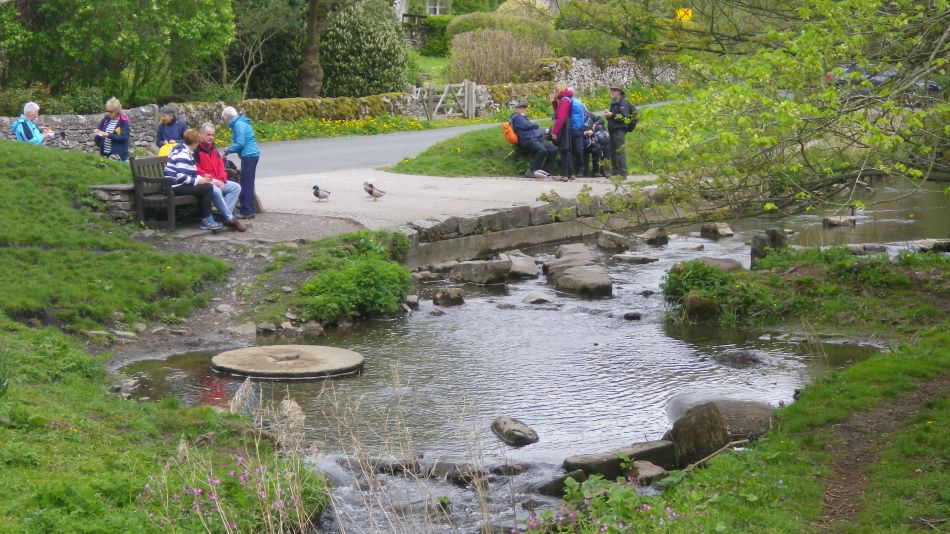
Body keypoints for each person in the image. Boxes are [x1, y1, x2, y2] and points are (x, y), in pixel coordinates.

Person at [163, 128, 223, 231]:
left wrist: (202, 178)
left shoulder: (186, 151)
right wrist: (197, 181)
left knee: (206, 186)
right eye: (198, 142)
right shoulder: (182, 154)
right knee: (207, 188)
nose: (198, 144)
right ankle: (206, 220)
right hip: (173, 186)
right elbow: (181, 176)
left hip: (178, 184)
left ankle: (207, 218)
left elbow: (191, 173)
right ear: (194, 142)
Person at [195, 122, 246, 232]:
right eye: (208, 135)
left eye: (212, 135)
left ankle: (223, 216)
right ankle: (229, 218)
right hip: (206, 182)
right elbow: (196, 169)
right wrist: (213, 181)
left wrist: (222, 180)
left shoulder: (213, 149)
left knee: (236, 187)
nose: (211, 137)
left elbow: (220, 165)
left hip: (218, 181)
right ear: (201, 135)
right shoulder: (196, 150)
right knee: (217, 191)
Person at [222, 106, 260, 219]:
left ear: (228, 117)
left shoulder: (238, 125)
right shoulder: (242, 122)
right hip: (252, 155)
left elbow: (240, 143)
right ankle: (250, 209)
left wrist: (228, 149)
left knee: (246, 184)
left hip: (249, 155)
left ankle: (246, 211)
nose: (225, 122)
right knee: (249, 183)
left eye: (225, 119)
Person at [509, 102, 556, 179]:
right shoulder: (516, 117)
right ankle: (531, 171)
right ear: (516, 109)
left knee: (553, 149)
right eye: (520, 108)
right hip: (528, 139)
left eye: (523, 108)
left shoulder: (523, 117)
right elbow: (526, 125)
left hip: (538, 137)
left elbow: (529, 125)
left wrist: (533, 125)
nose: (522, 109)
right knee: (542, 150)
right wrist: (535, 125)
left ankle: (546, 171)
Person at [603, 86, 635, 177]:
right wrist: (609, 114)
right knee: (612, 150)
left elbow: (624, 117)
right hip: (613, 129)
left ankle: (622, 173)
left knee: (619, 151)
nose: (612, 92)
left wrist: (611, 114)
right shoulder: (614, 102)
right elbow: (615, 116)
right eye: (611, 90)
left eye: (614, 90)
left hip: (619, 129)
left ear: (620, 92)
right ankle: (615, 171)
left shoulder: (623, 101)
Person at [550, 82, 577, 180]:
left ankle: (564, 174)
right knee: (566, 149)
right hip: (566, 124)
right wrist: (554, 102)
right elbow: (558, 112)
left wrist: (555, 131)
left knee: (564, 149)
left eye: (556, 90)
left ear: (560, 89)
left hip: (564, 125)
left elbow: (560, 117)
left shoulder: (564, 100)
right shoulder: (565, 99)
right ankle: (571, 173)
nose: (555, 92)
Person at [581, 111, 609, 178]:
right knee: (597, 147)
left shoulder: (589, 115)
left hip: (592, 139)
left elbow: (600, 120)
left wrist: (595, 124)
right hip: (581, 139)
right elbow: (574, 130)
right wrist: (585, 133)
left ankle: (603, 170)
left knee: (605, 146)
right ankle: (596, 171)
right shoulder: (576, 117)